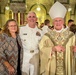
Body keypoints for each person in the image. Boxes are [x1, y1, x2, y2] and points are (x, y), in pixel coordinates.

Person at [39, 1, 76, 75]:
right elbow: (41, 48)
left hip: (67, 66)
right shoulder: (47, 35)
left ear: (63, 21)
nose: (58, 23)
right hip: (52, 66)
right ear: (53, 22)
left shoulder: (71, 35)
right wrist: (52, 49)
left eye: (60, 20)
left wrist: (74, 49)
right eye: (56, 21)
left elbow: (74, 49)